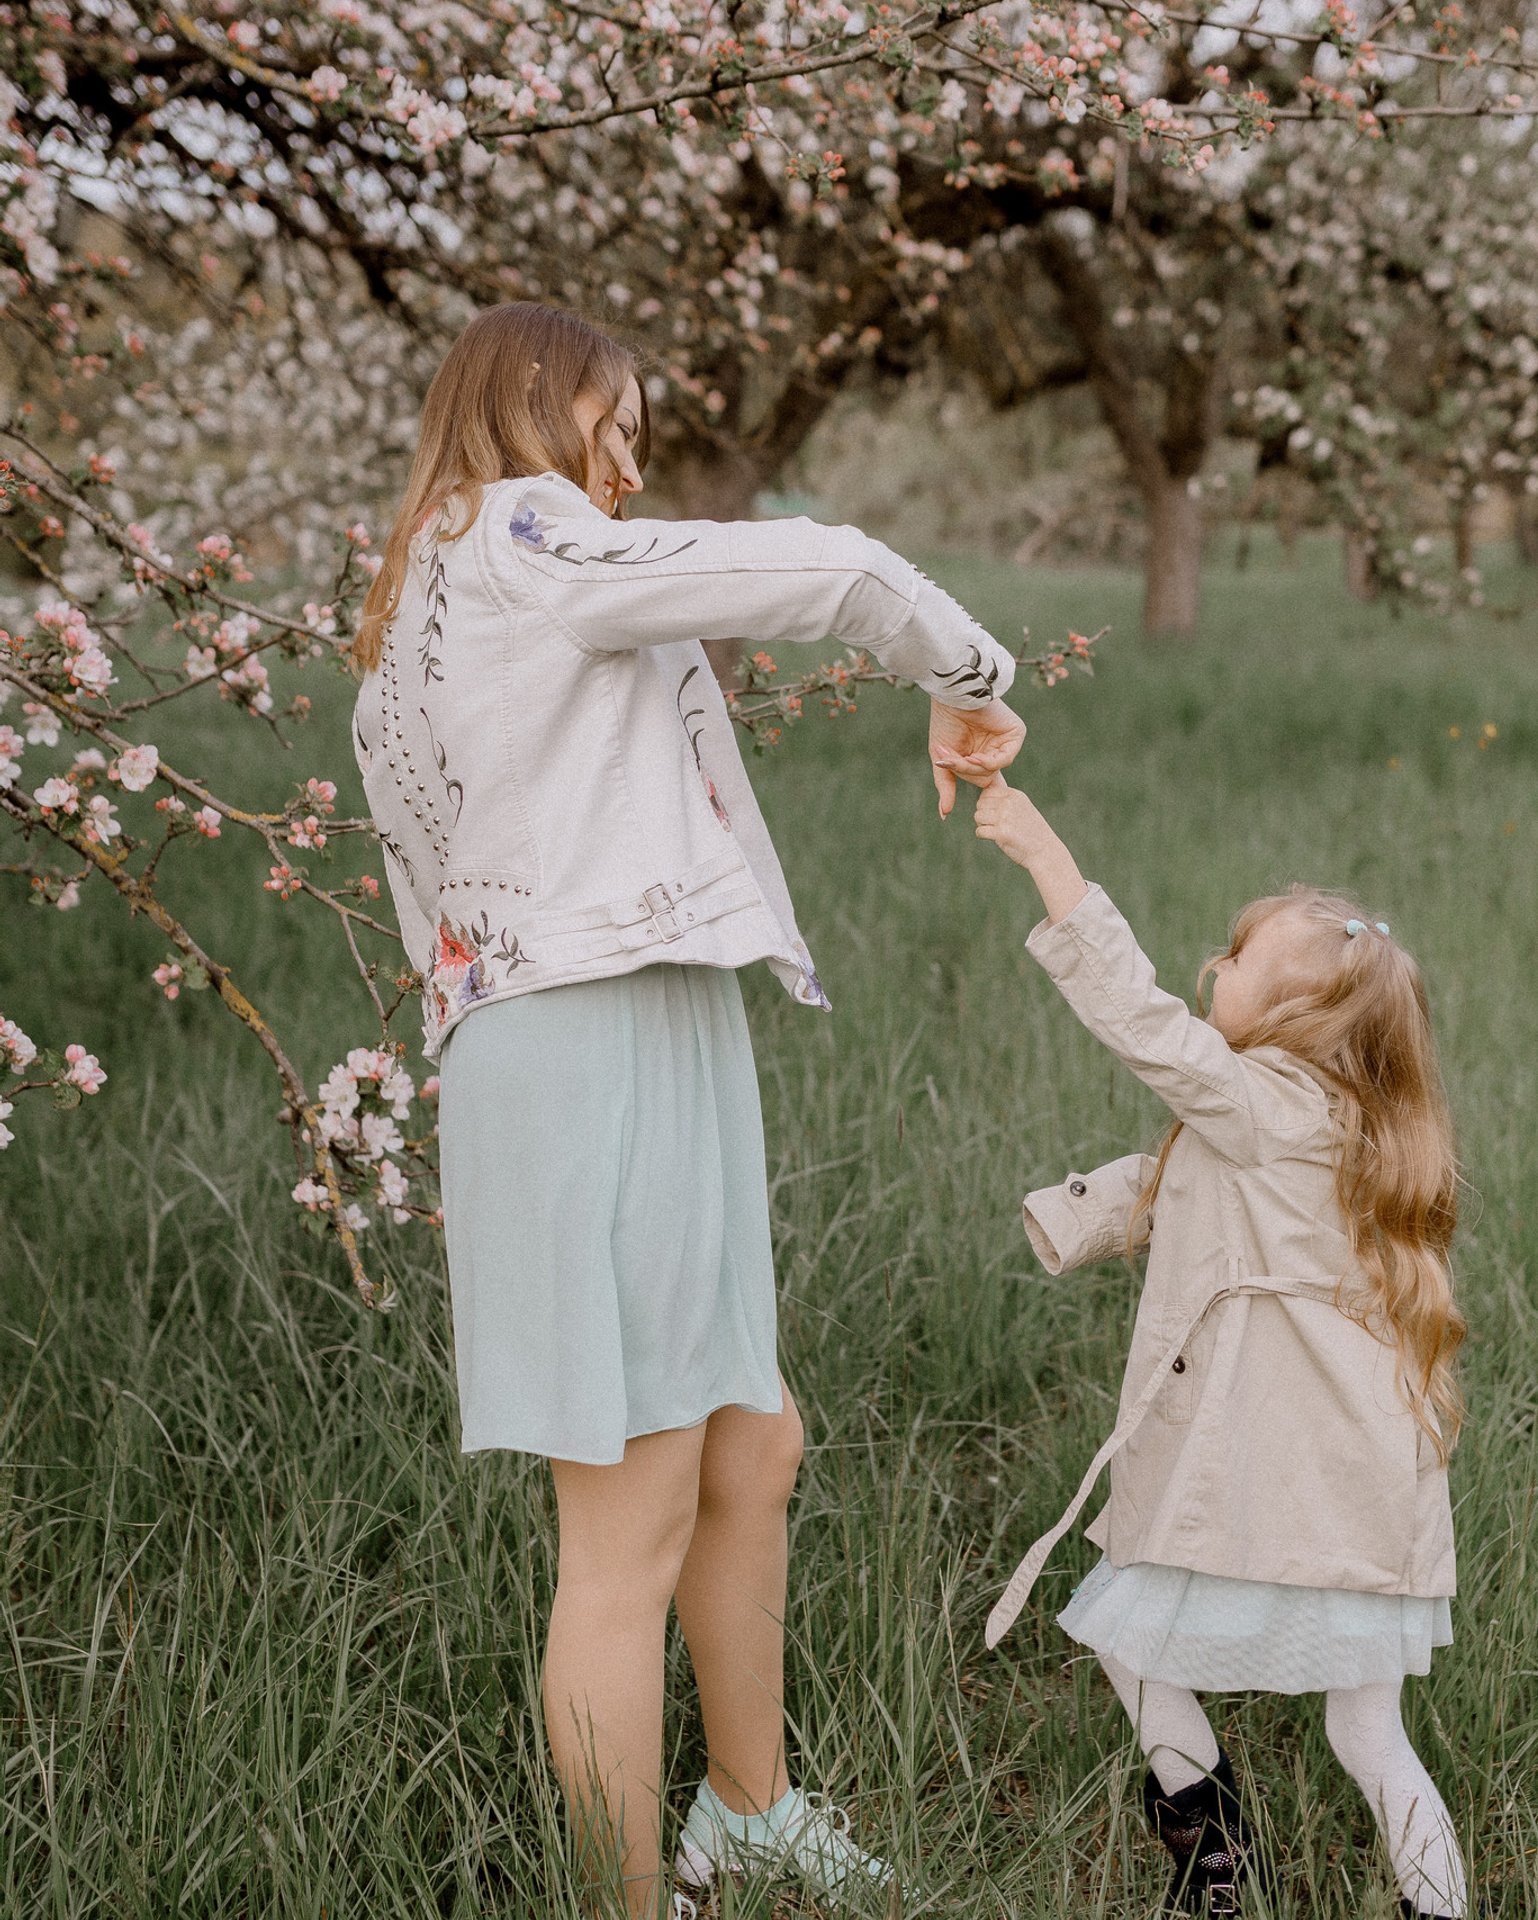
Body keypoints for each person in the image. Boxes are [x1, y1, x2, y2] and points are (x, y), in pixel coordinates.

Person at [350, 302, 1024, 1918]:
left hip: (625, 1013)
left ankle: (750, 1806)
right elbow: (839, 571)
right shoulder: (521, 533)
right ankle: (630, 1901)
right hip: (584, 1039)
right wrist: (972, 675)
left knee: (748, 1438)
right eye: (617, 414)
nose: (632, 452)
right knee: (627, 1520)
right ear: (542, 404)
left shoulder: (439, 586)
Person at [970, 777, 1468, 1919]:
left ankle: (1218, 1863)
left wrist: (1051, 859)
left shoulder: (1263, 1104)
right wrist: (1087, 1211)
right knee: (1369, 1732)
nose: (1213, 972)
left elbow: (1144, 1027)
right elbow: (1186, 1183)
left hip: (1267, 1470)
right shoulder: (1348, 1122)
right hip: (1366, 1488)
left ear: (1301, 1016)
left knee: (1123, 1635)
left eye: (1236, 962)